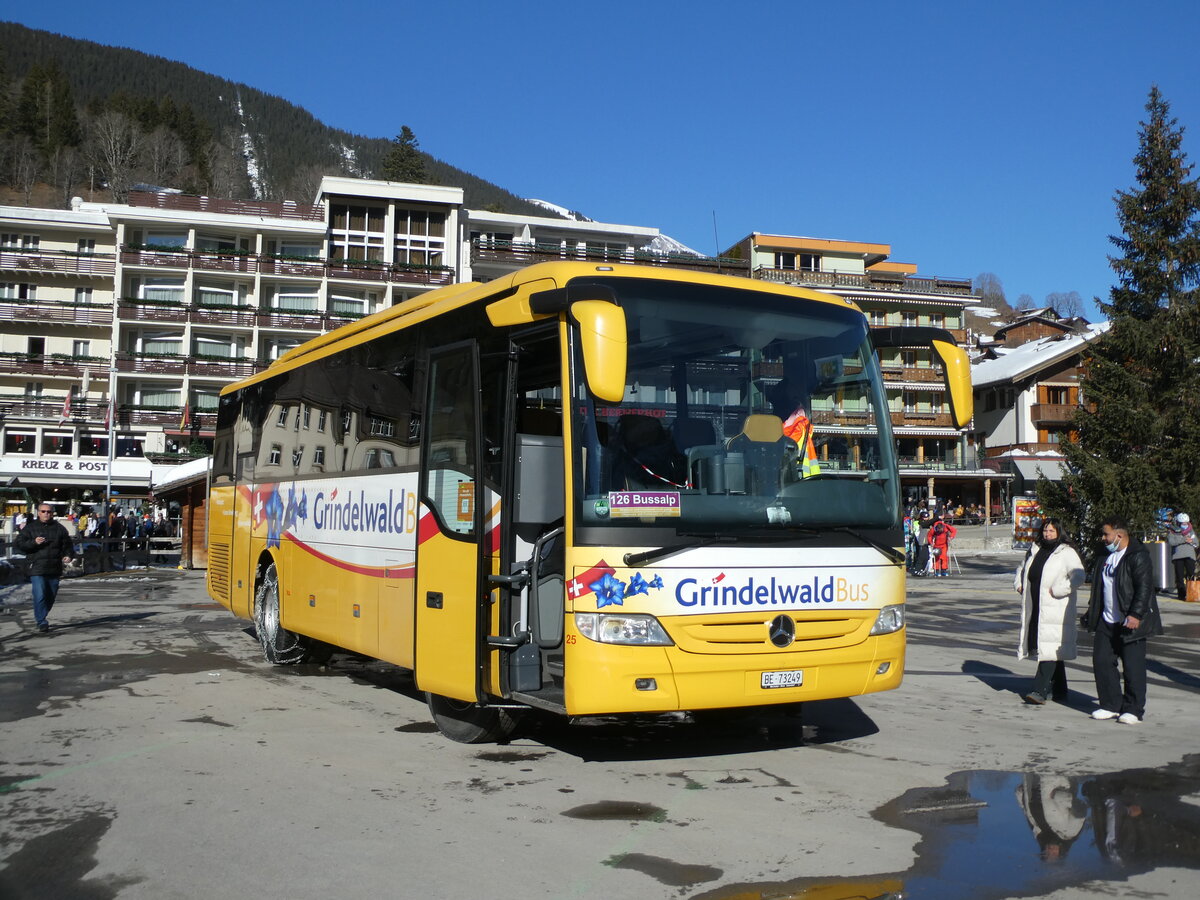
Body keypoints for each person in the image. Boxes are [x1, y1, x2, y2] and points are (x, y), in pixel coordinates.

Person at [1082, 515, 1163, 723]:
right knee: (1102, 662)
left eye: (1106, 534)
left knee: (1133, 667)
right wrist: (1092, 611)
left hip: (1130, 621)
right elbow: (1099, 587)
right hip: (1107, 619)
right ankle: (1110, 705)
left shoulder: (1137, 555)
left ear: (1119, 535)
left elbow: (1144, 588)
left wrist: (1135, 614)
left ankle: (1133, 709)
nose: (1103, 538)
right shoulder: (1105, 556)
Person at [1015, 518, 1086, 704]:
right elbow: (1022, 568)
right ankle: (1060, 689)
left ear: (1059, 532)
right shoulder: (1035, 549)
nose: (1047, 534)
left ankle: (1039, 690)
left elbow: (1079, 575)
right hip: (1036, 605)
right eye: (1045, 530)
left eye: (1052, 531)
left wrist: (1059, 589)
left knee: (1048, 648)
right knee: (1051, 646)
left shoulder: (1066, 552)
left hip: (1056, 608)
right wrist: (1019, 583)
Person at [14, 503, 76, 634]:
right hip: (37, 567)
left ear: (52, 513)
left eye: (49, 511)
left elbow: (68, 545)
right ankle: (41, 621)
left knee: (50, 596)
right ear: (38, 513)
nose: (46, 514)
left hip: (54, 567)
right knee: (40, 594)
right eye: (43, 511)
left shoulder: (59, 529)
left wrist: (68, 555)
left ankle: (42, 613)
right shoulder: (30, 528)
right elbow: (19, 544)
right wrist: (34, 542)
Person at [1165, 512, 1196, 602]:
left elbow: (1196, 543)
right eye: (1183, 523)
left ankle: (1192, 593)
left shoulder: (1191, 531)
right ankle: (1181, 594)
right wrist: (1184, 540)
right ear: (1178, 523)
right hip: (1178, 556)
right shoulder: (1172, 531)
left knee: (1191, 575)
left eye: (1186, 523)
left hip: (1190, 556)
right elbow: (1171, 542)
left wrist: (1191, 541)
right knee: (1179, 576)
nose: (1185, 525)